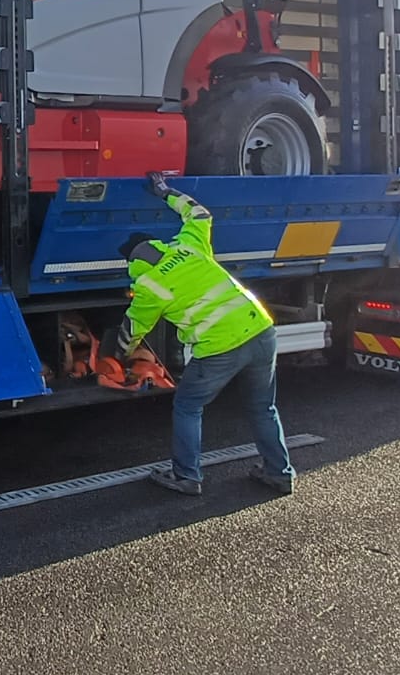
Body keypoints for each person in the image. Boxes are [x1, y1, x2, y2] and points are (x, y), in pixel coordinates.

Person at [102, 175, 296, 497]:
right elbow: (200, 214)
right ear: (156, 243)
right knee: (263, 408)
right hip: (261, 329)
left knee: (188, 405)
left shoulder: (148, 285)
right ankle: (280, 473)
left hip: (220, 347)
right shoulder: (189, 247)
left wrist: (114, 359)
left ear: (132, 263)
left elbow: (132, 331)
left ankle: (187, 476)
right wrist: (165, 192)